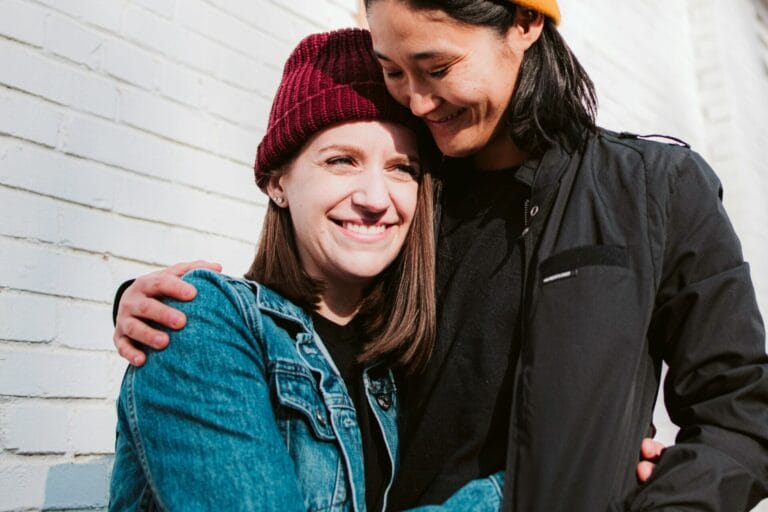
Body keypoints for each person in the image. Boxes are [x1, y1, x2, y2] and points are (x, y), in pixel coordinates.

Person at [112, 1, 768, 511]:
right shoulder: (412, 195)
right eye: (394, 73)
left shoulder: (654, 189)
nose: (418, 102)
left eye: (436, 68)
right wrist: (157, 307)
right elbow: (305, 332)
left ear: (523, 24)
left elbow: (742, 409)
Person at [108, 28, 505, 511]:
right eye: (342, 161)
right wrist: (521, 491)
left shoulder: (409, 364)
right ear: (278, 182)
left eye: (402, 168)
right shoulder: (203, 321)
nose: (375, 199)